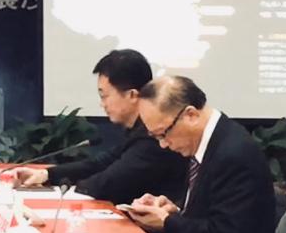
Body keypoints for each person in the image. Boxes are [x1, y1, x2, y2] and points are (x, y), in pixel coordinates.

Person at [14, 49, 187, 203]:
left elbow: (108, 184)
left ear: (133, 95)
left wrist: (70, 188)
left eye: (104, 96)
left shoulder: (153, 138)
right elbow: (99, 164)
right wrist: (47, 175)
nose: (101, 104)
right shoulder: (137, 131)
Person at [127, 75, 274, 233]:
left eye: (163, 133)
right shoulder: (209, 140)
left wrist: (167, 222)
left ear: (191, 115)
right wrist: (174, 211)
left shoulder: (234, 154)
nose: (163, 144)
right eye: (155, 136)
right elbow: (205, 214)